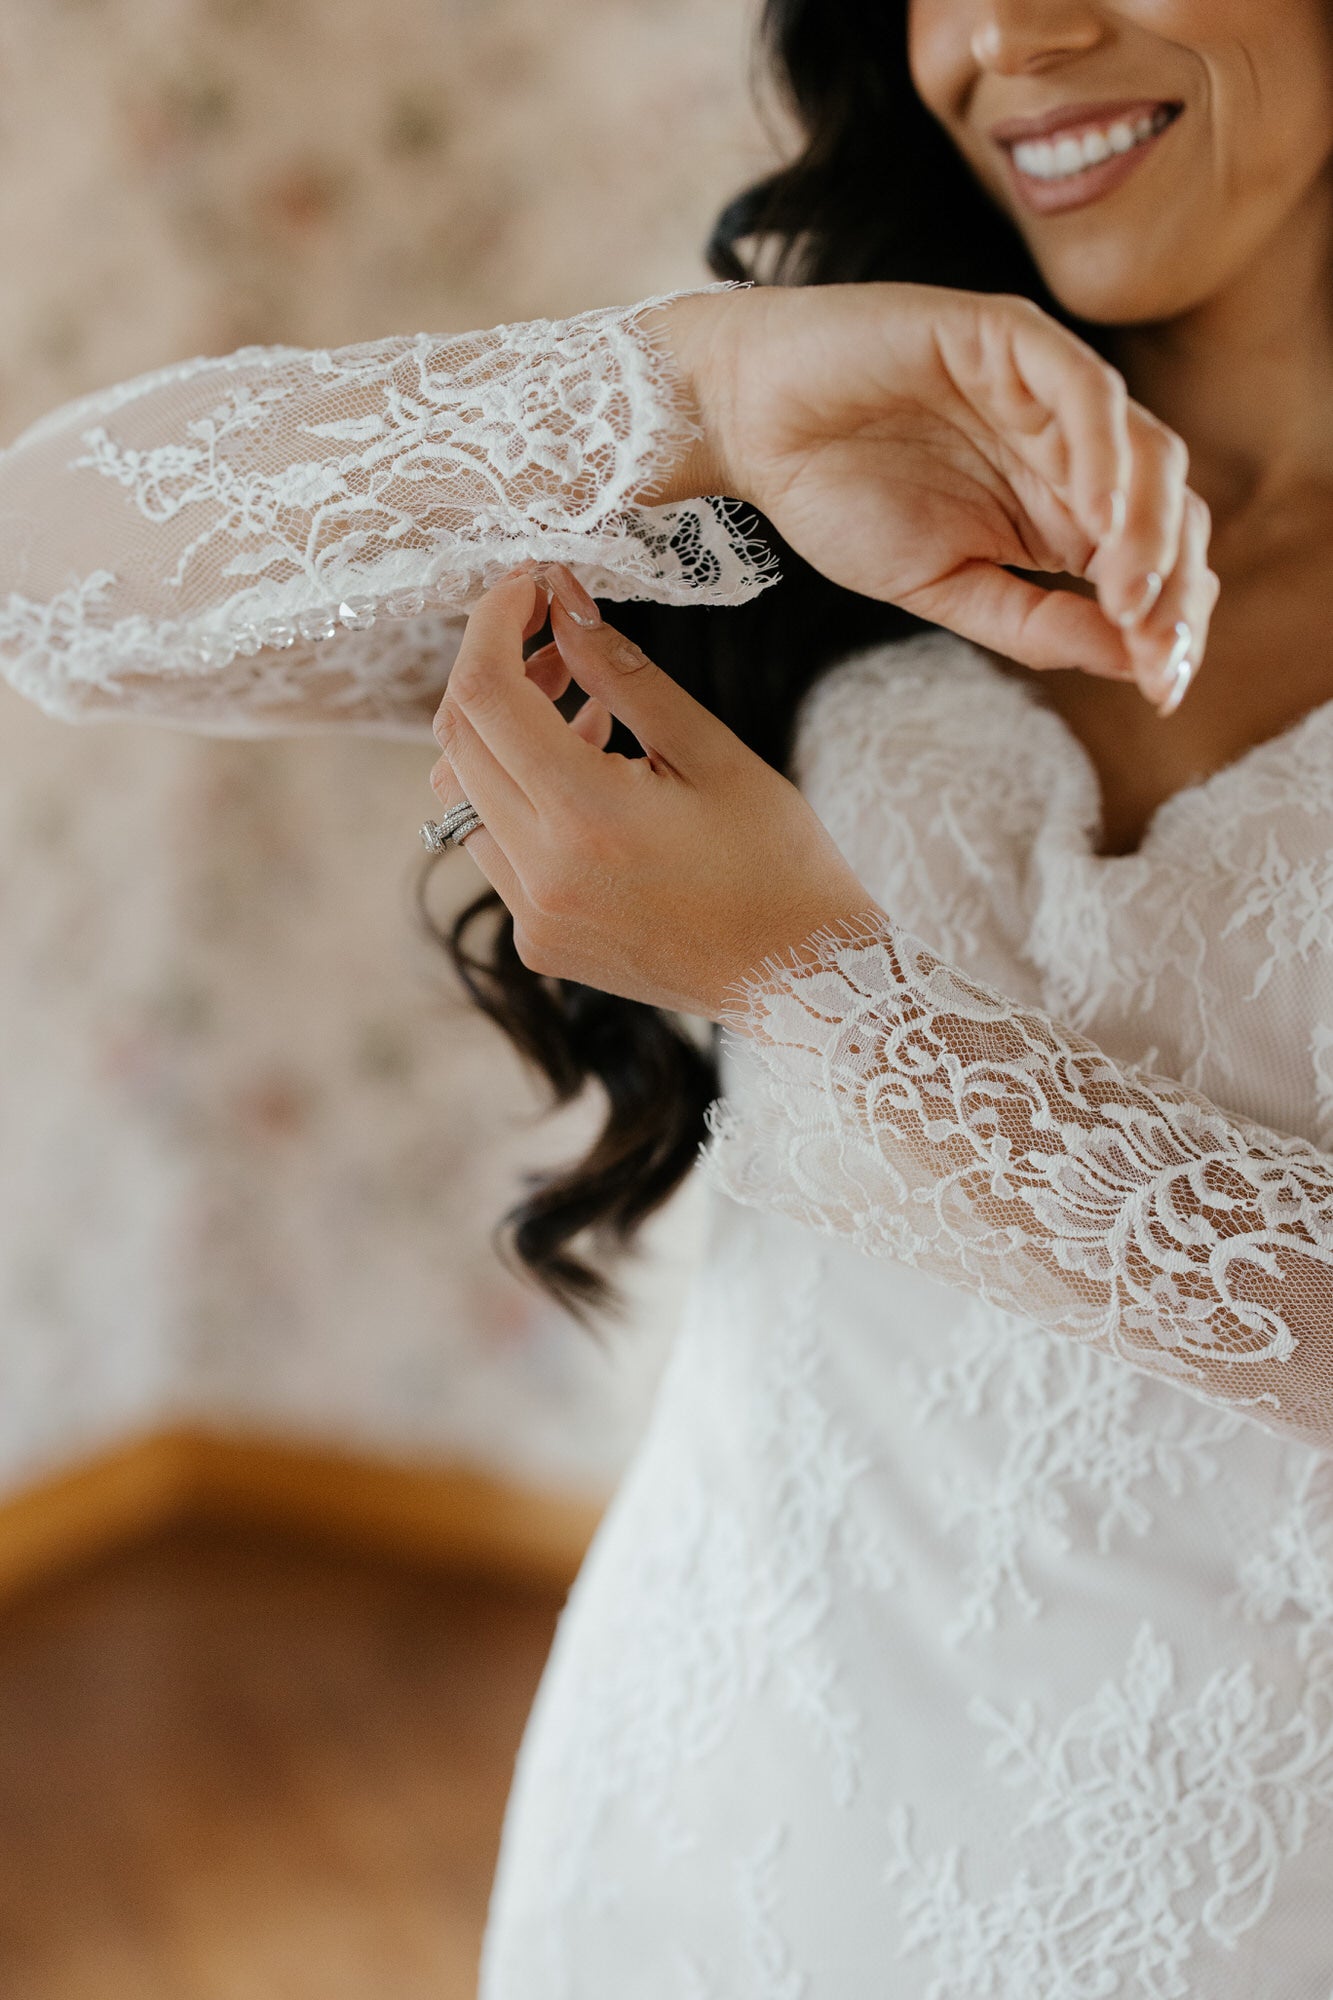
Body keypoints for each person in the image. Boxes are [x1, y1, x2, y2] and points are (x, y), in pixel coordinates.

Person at [2, 0, 1332, 1989]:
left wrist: (819, 999)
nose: (1008, 37)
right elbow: (55, 579)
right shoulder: (840, 483)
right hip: (721, 1787)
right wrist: (703, 381)